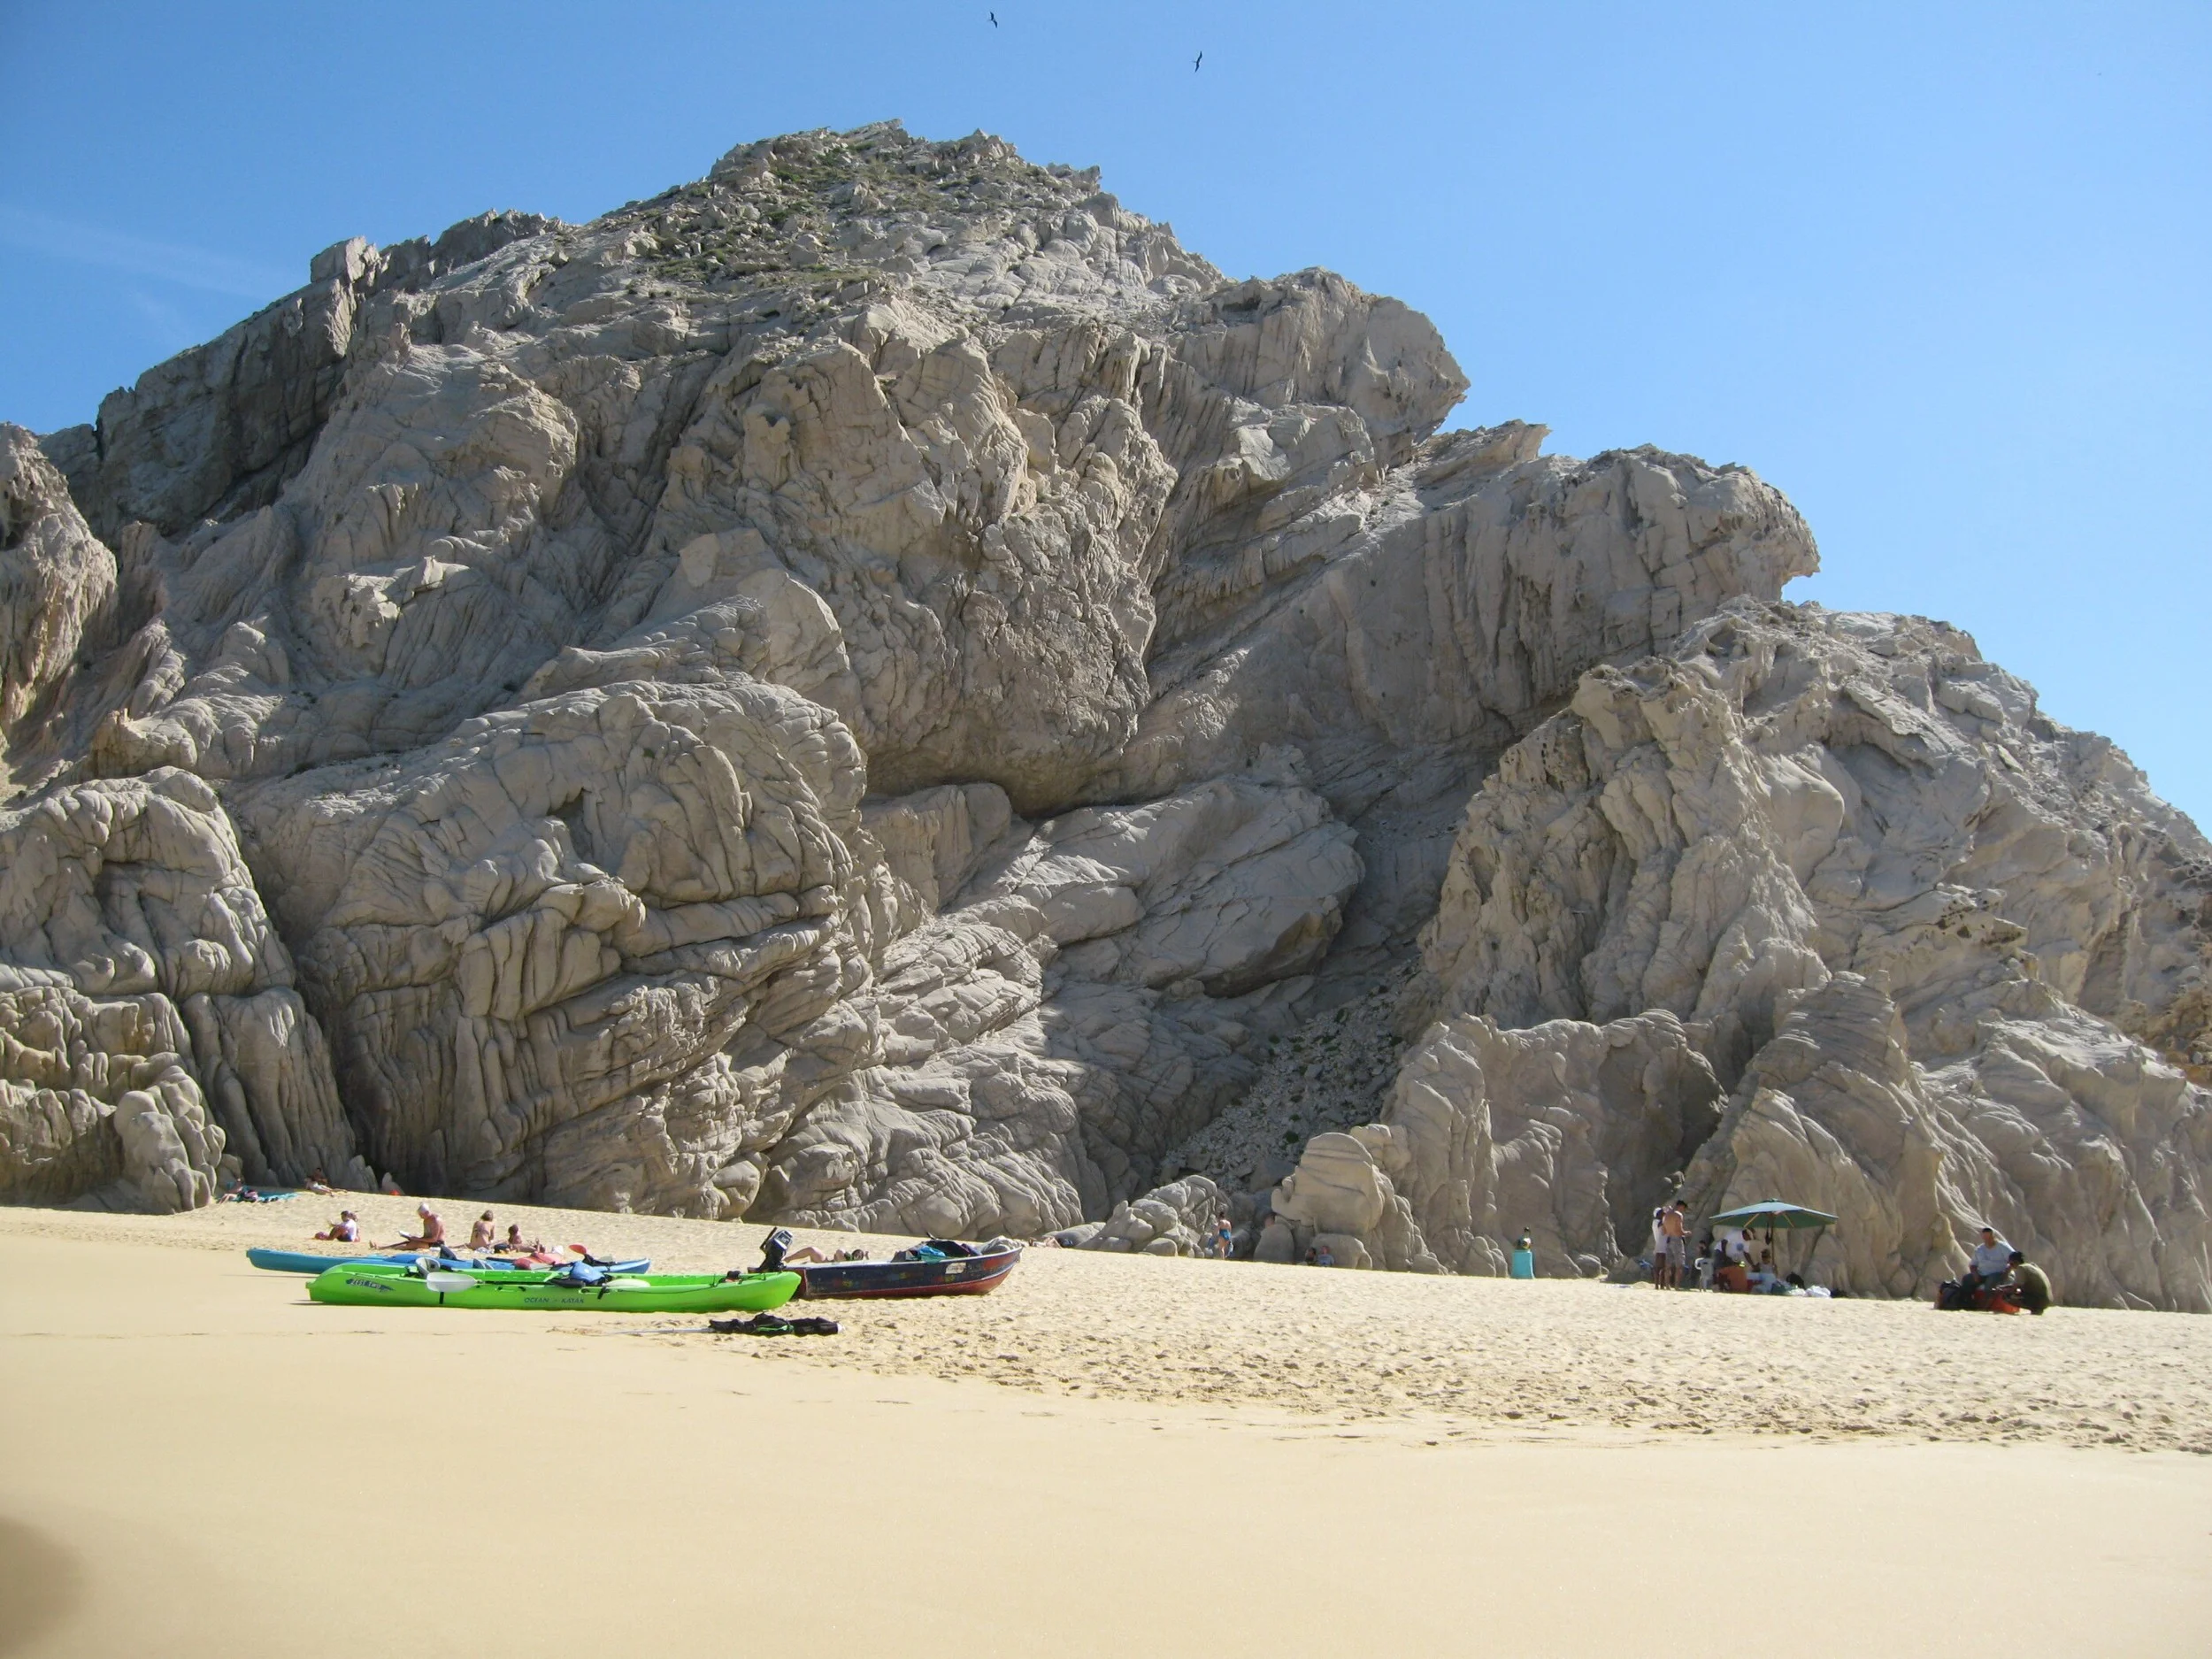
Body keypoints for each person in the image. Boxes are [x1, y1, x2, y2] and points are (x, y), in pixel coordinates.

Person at [2002, 1250, 2052, 1315]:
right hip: (2047, 1299)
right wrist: (2005, 1287)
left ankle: (2036, 1309)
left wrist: (2002, 1290)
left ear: (2016, 1262)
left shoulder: (2021, 1268)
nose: (2011, 1266)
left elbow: (2014, 1289)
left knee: (2007, 1296)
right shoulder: (2032, 1266)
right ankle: (2037, 1308)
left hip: (2040, 1300)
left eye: (2011, 1264)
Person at [1663, 1201, 1690, 1289]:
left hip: (1668, 1239)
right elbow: (1680, 1230)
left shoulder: (1666, 1215)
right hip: (1677, 1240)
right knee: (1679, 1265)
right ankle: (1676, 1286)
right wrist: (1686, 1233)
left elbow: (1664, 1230)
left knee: (1668, 1265)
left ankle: (1667, 1285)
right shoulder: (1678, 1215)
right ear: (1681, 1206)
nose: (1683, 1211)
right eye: (1683, 1208)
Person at [1649, 1206, 1671, 1287]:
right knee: (1659, 1266)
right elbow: (1662, 1223)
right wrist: (1667, 1212)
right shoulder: (1656, 1222)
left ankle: (1661, 1284)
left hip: (1663, 1245)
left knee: (1663, 1267)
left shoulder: (1660, 1222)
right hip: (1660, 1246)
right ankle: (1657, 1284)